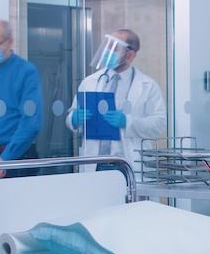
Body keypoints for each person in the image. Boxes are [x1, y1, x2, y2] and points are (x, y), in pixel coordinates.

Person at [66, 29, 166, 175]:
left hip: (128, 163)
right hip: (95, 162)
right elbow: (72, 117)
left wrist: (128, 122)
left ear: (130, 55)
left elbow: (158, 123)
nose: (108, 51)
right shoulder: (89, 82)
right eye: (107, 46)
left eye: (114, 48)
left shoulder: (147, 85)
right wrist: (74, 119)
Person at [0, 18, 43, 180]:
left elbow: (31, 123)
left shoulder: (26, 72)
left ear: (9, 42)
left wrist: (5, 159)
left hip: (16, 157)